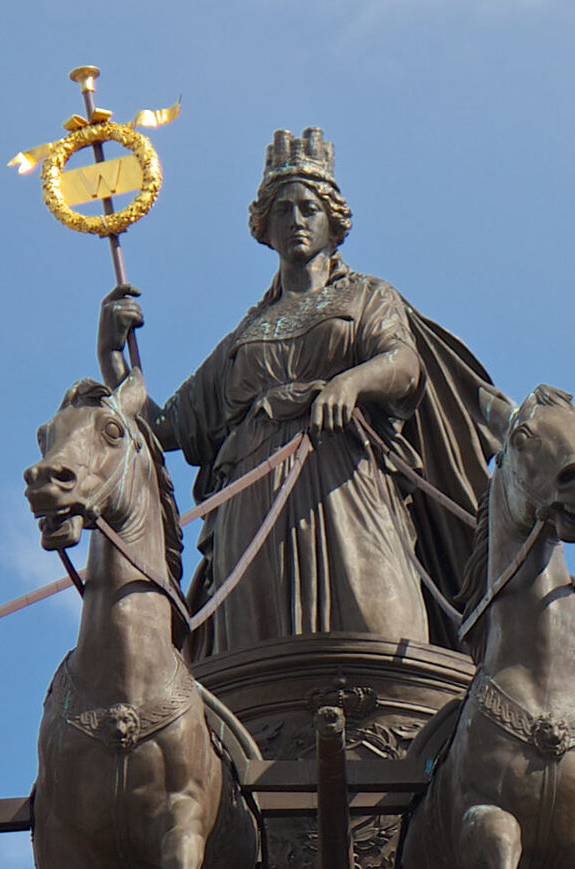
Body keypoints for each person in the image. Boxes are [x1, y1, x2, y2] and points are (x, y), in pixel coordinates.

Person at [98, 127, 495, 659]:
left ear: (333, 222)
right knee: (252, 651)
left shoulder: (367, 296)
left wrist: (351, 382)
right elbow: (163, 426)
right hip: (252, 500)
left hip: (344, 479)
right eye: (282, 210)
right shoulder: (248, 334)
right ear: (265, 226)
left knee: (376, 627)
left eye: (308, 208)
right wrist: (113, 356)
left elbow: (402, 364)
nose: (296, 221)